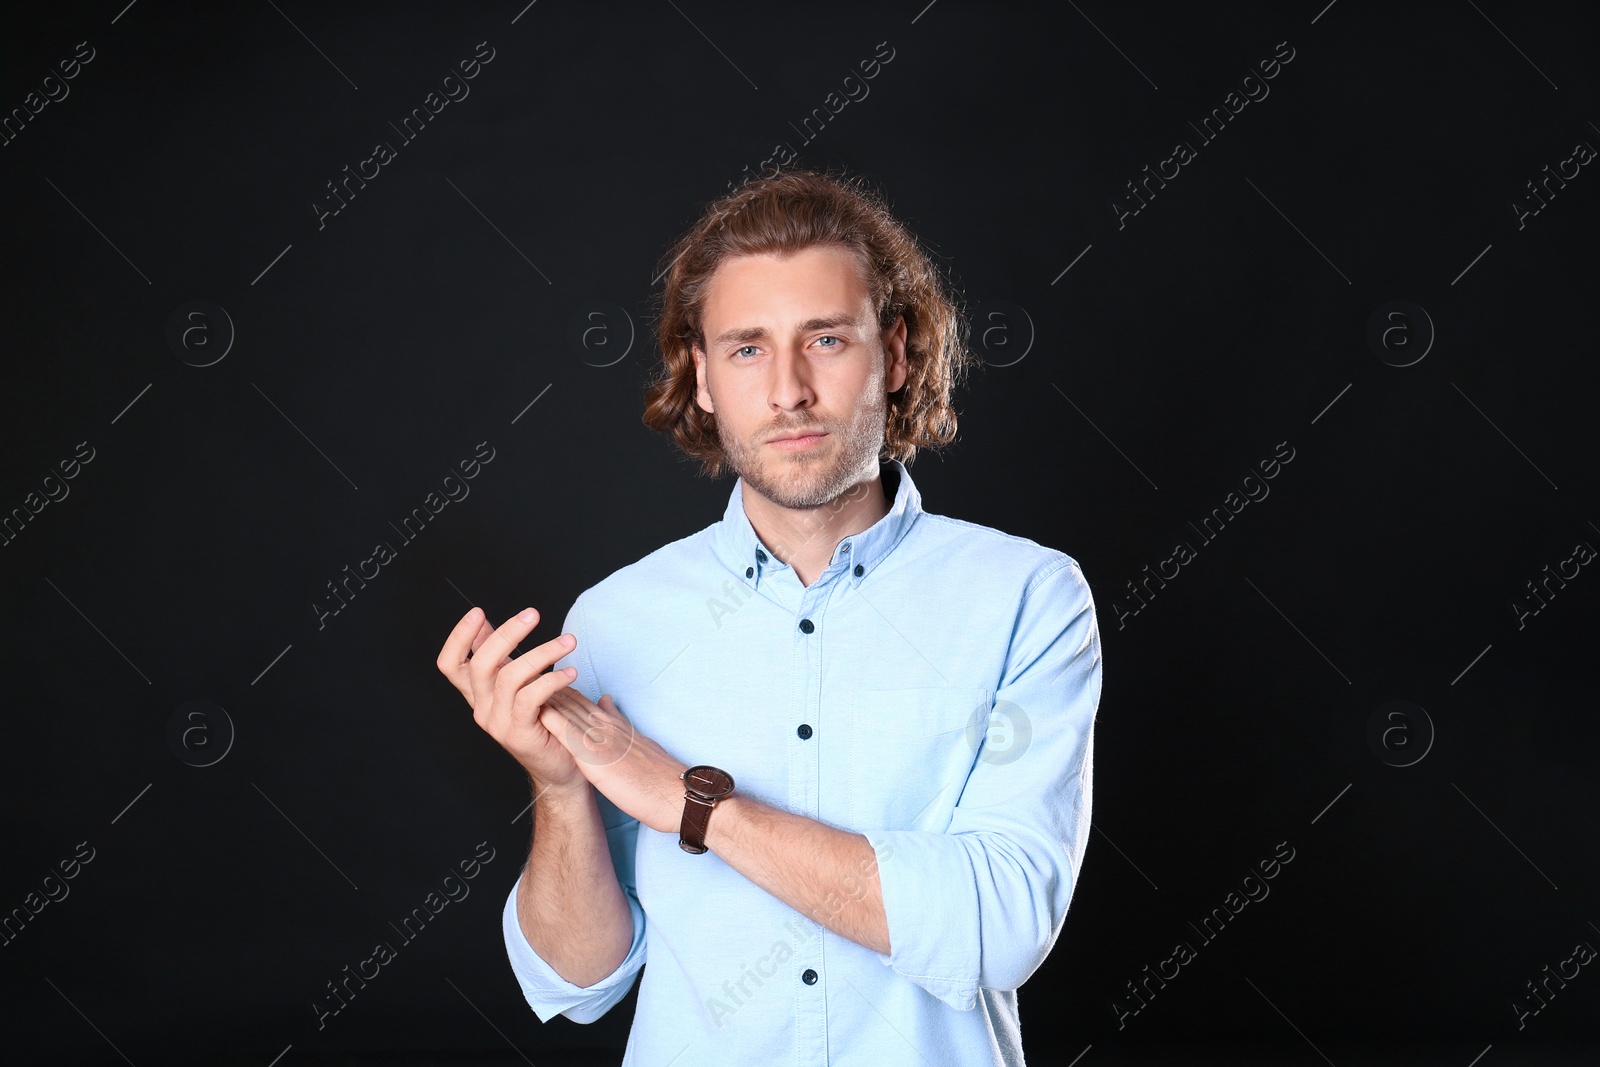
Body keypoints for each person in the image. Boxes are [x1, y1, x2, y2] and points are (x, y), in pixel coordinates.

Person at [435, 168, 1103, 1064]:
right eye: (747, 348)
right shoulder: (617, 619)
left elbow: (1000, 927)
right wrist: (560, 789)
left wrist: (690, 800)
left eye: (825, 339)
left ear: (895, 354)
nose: (788, 389)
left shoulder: (1028, 597)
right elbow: (577, 983)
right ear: (702, 378)